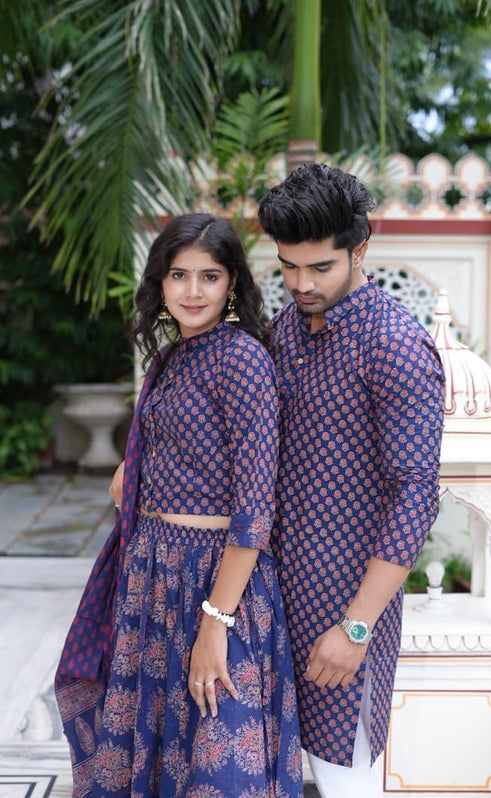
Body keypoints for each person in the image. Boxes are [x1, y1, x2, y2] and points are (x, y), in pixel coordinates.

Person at [54, 213, 303, 797]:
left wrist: (216, 624)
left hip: (220, 582)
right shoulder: (169, 360)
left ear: (233, 285)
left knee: (219, 758)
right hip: (155, 576)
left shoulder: (241, 359)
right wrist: (131, 475)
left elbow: (255, 505)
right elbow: (165, 451)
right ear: (160, 285)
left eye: (210, 277)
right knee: (161, 753)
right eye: (179, 275)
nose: (193, 291)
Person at [258, 164, 445, 797]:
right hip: (267, 602)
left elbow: (416, 494)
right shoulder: (285, 330)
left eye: (320, 268)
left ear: (359, 249)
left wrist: (357, 627)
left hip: (344, 617)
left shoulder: (394, 343)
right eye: (288, 266)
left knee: (346, 783)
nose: (301, 284)